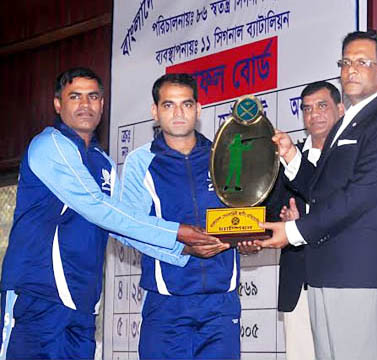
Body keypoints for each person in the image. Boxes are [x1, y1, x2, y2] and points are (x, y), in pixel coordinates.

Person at [0, 68, 220, 360]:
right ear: (57, 104)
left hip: (83, 307)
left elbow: (124, 224)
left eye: (93, 97)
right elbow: (98, 208)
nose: (85, 105)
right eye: (74, 96)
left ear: (102, 104)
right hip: (36, 298)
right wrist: (177, 232)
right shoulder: (49, 145)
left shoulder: (103, 163)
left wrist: (184, 249)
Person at [257, 30, 377, 359]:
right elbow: (325, 188)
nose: (351, 69)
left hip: (358, 275)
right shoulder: (349, 122)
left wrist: (295, 231)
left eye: (362, 62)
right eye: (345, 62)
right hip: (326, 273)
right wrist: (290, 157)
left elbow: (361, 196)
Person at [116, 73, 241, 360]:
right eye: (169, 105)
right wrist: (180, 246)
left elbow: (242, 215)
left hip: (221, 304)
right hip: (166, 303)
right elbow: (127, 227)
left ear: (198, 109)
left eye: (186, 104)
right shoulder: (141, 161)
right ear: (155, 112)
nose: (178, 113)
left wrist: (246, 238)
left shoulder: (222, 154)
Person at [274, 81, 344, 360]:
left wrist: (302, 224)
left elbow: (341, 206)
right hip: (297, 283)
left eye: (322, 106)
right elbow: (271, 211)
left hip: (342, 281)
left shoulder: (351, 155)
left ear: (340, 109)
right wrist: (285, 220)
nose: (314, 114)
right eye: (307, 108)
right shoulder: (285, 158)